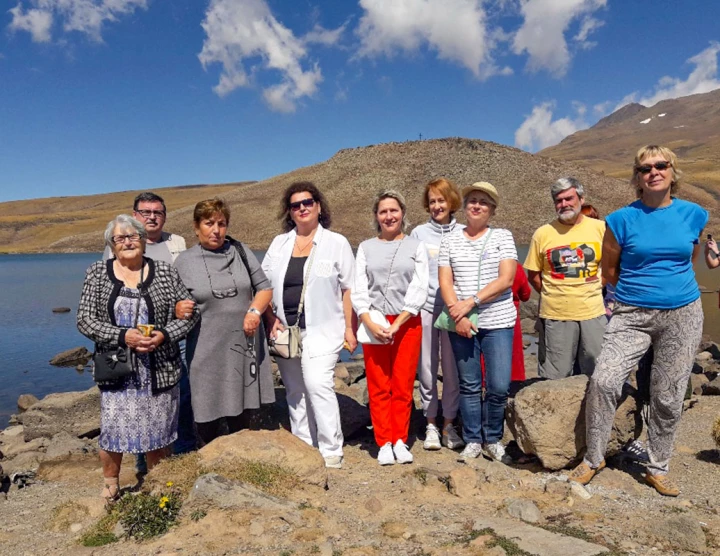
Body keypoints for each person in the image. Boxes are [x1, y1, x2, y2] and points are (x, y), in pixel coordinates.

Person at [570, 145, 707, 497]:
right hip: (632, 314)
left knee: (668, 394)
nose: (654, 172)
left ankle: (657, 466)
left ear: (673, 172)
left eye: (661, 166)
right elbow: (609, 269)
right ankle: (594, 457)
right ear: (637, 177)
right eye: (645, 168)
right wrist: (641, 294)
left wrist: (669, 291)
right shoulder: (619, 219)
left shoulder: (694, 214)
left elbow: (688, 258)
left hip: (683, 314)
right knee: (604, 380)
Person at [77, 215, 198, 503]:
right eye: (120, 238)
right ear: (112, 245)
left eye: (133, 236)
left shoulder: (166, 273)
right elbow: (84, 320)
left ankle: (158, 484)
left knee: (160, 431)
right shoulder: (97, 272)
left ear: (144, 240)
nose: (128, 242)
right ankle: (111, 484)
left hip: (159, 368)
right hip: (117, 369)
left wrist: (164, 335)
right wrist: (123, 336)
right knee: (113, 430)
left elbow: (190, 316)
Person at [261, 182, 356, 469]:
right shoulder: (279, 244)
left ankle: (331, 449)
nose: (302, 208)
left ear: (318, 206)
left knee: (318, 385)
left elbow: (349, 289)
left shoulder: (336, 243)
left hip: (324, 329)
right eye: (295, 205)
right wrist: (268, 318)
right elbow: (262, 284)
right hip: (285, 331)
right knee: (294, 390)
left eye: (307, 202)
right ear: (289, 212)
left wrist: (350, 329)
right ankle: (304, 444)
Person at [103, 192, 195, 467]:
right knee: (136, 401)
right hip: (131, 340)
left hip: (170, 336)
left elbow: (183, 285)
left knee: (180, 395)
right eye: (145, 212)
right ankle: (143, 461)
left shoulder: (176, 243)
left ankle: (183, 453)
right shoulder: (120, 244)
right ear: (135, 215)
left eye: (158, 212)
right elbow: (109, 286)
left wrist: (182, 307)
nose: (152, 217)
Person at [174, 199, 275, 446]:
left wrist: (253, 311)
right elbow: (174, 304)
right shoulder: (184, 262)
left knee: (242, 409)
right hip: (206, 348)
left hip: (243, 343)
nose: (216, 230)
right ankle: (210, 464)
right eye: (209, 223)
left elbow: (264, 288)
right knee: (206, 408)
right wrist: (177, 308)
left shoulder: (240, 251)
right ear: (196, 227)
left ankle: (240, 460)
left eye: (222, 223)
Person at [438, 182, 517, 464]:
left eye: (483, 202)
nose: (476, 205)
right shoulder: (449, 240)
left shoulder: (503, 237)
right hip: (462, 323)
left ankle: (493, 437)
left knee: (497, 385)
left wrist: (469, 303)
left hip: (497, 321)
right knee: (470, 384)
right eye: (472, 200)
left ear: (492, 210)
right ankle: (473, 439)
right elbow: (445, 280)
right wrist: (456, 313)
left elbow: (506, 279)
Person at [352, 190, 429, 466]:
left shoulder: (415, 246)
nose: (389, 216)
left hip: (406, 323)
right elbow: (359, 289)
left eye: (393, 210)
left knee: (403, 383)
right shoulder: (365, 248)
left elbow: (420, 286)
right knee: (378, 383)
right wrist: (369, 321)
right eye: (383, 211)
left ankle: (400, 438)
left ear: (403, 213)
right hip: (375, 321)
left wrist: (398, 323)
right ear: (376, 216)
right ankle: (383, 440)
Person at [524, 178, 606, 379]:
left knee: (597, 370)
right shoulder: (543, 233)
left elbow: (611, 266)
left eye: (569, 198)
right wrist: (554, 292)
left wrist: (596, 285)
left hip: (593, 312)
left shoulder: (601, 228)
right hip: (556, 314)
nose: (564, 204)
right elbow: (533, 274)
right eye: (558, 201)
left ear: (581, 198)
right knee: (556, 375)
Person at [410, 178, 464, 451]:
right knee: (428, 369)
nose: (436, 206)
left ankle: (449, 424)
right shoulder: (418, 234)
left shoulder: (465, 232)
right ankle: (431, 422)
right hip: (427, 309)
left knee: (453, 370)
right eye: (432, 201)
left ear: (451, 201)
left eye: (441, 200)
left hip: (456, 311)